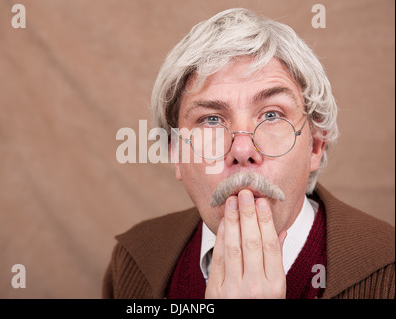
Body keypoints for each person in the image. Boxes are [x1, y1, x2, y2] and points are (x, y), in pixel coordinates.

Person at [102, 8, 394, 299]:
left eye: (271, 115)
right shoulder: (134, 262)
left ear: (315, 146)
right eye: (211, 119)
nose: (242, 151)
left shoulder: (387, 271)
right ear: (176, 153)